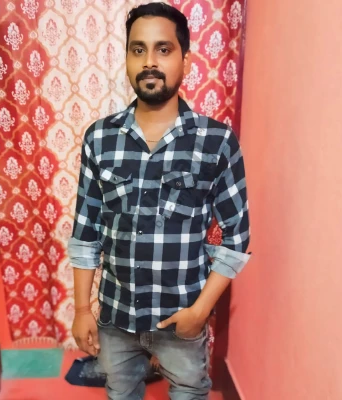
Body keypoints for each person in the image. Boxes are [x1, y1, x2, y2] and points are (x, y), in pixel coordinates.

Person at [68, 3, 251, 399]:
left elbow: (236, 238)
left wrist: (200, 312)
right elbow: (86, 232)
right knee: (120, 393)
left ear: (186, 59)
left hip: (182, 318)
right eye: (138, 50)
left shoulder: (216, 142)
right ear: (127, 59)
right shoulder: (99, 139)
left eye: (163, 49)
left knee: (189, 393)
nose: (149, 61)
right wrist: (83, 310)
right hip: (116, 318)